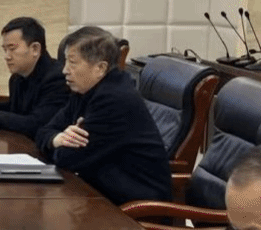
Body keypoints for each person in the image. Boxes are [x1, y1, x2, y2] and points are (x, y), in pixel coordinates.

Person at [36, 26, 171, 206]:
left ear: (100, 68)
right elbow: (43, 131)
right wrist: (57, 139)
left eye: (72, 63)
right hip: (101, 194)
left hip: (135, 208)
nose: (64, 70)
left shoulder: (114, 100)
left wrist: (58, 144)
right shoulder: (84, 89)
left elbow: (68, 159)